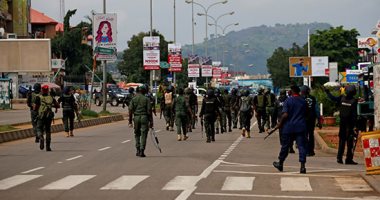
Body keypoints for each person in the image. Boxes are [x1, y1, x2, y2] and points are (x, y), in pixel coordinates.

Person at [273, 85, 308, 174]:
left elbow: (285, 115)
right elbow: (306, 114)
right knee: (301, 147)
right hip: (300, 127)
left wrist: (279, 124)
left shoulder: (288, 101)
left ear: (292, 91)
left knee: (285, 146)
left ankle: (280, 163)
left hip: (289, 127)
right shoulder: (303, 101)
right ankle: (302, 167)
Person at [325, 85, 358, 165]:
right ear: (354, 92)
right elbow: (354, 115)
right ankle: (348, 159)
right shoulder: (354, 101)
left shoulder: (342, 98)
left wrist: (327, 92)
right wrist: (355, 126)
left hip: (342, 123)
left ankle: (339, 158)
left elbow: (333, 98)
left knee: (342, 141)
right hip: (350, 125)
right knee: (350, 143)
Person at [129, 85, 153, 157]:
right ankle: (142, 150)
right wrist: (151, 121)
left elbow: (130, 110)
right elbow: (149, 111)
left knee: (137, 134)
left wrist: (130, 121)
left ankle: (138, 149)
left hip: (136, 117)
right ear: (144, 91)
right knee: (143, 134)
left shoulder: (134, 99)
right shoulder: (146, 99)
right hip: (144, 118)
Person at [36, 85, 60, 151]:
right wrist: (51, 105)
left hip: (41, 116)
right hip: (49, 116)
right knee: (48, 131)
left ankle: (41, 137)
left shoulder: (38, 97)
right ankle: (48, 147)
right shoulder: (51, 98)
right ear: (47, 91)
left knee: (39, 128)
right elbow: (58, 105)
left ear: (41, 90)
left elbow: (35, 108)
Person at [301, 85, 322, 156]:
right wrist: (319, 120)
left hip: (303, 119)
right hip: (311, 119)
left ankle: (305, 150)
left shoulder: (300, 99)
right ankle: (311, 151)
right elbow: (317, 110)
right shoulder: (313, 98)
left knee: (304, 135)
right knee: (311, 134)